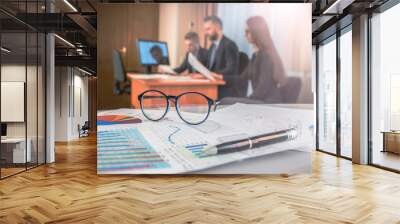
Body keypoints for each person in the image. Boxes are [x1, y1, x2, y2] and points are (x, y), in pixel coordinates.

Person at [214, 16, 287, 104]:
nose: (245, 35)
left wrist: (247, 100)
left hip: (269, 102)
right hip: (260, 100)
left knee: (226, 101)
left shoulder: (266, 55)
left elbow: (263, 89)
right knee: (226, 101)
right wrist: (221, 77)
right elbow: (241, 79)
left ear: (257, 32)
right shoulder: (255, 55)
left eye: (247, 31)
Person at [203, 16, 240, 98]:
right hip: (213, 85)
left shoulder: (229, 45)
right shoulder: (213, 46)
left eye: (208, 29)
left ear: (217, 27)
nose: (205, 33)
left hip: (225, 89)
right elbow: (209, 67)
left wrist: (214, 74)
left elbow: (231, 69)